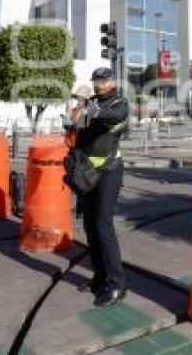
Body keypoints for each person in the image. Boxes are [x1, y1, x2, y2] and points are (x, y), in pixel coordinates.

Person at [72, 67, 129, 307]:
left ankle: (117, 284)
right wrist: (76, 115)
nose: (98, 84)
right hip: (88, 172)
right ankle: (99, 277)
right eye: (95, 80)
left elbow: (112, 118)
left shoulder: (120, 103)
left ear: (112, 82)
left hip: (109, 171)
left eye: (103, 80)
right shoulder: (91, 102)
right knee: (89, 225)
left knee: (103, 226)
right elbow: (80, 128)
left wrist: (90, 108)